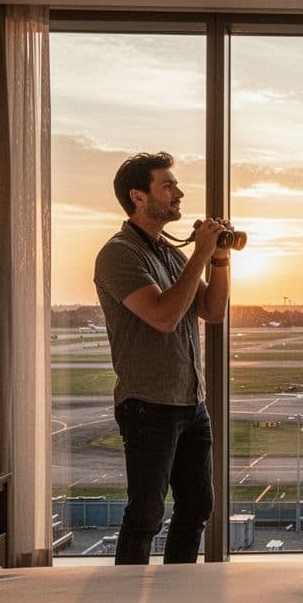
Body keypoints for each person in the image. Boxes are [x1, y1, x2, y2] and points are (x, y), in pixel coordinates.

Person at [93, 152, 232, 565]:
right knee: (146, 516)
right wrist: (200, 255)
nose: (179, 193)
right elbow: (164, 316)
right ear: (138, 196)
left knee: (196, 508)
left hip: (191, 401)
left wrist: (219, 258)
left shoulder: (170, 254)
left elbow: (213, 310)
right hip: (148, 405)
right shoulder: (120, 254)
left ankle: (177, 594)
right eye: (167, 186)